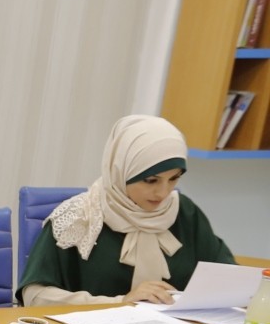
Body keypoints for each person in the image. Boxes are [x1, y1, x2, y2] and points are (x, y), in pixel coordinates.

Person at [18, 114, 235, 306]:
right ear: (121, 171)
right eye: (151, 180)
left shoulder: (184, 212)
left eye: (173, 179)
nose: (163, 192)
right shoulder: (79, 216)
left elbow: (229, 278)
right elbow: (35, 296)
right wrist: (119, 303)